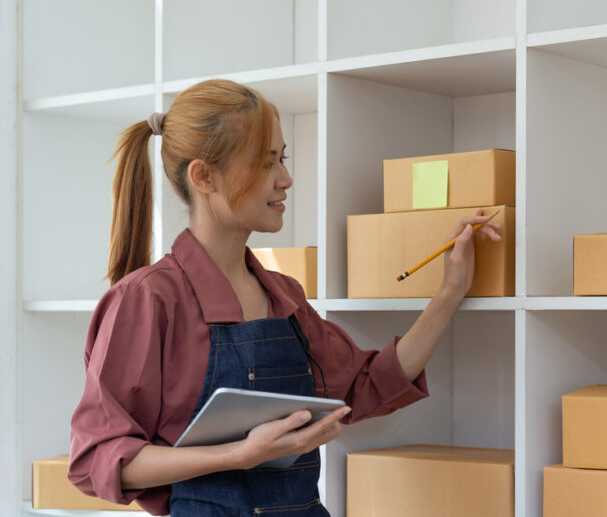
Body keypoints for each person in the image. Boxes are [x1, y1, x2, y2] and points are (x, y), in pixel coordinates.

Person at [68, 79, 500, 516]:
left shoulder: (284, 296)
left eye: (283, 158)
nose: (285, 179)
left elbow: (367, 386)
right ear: (203, 176)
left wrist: (450, 290)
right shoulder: (147, 300)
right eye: (264, 163)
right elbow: (96, 460)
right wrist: (237, 455)